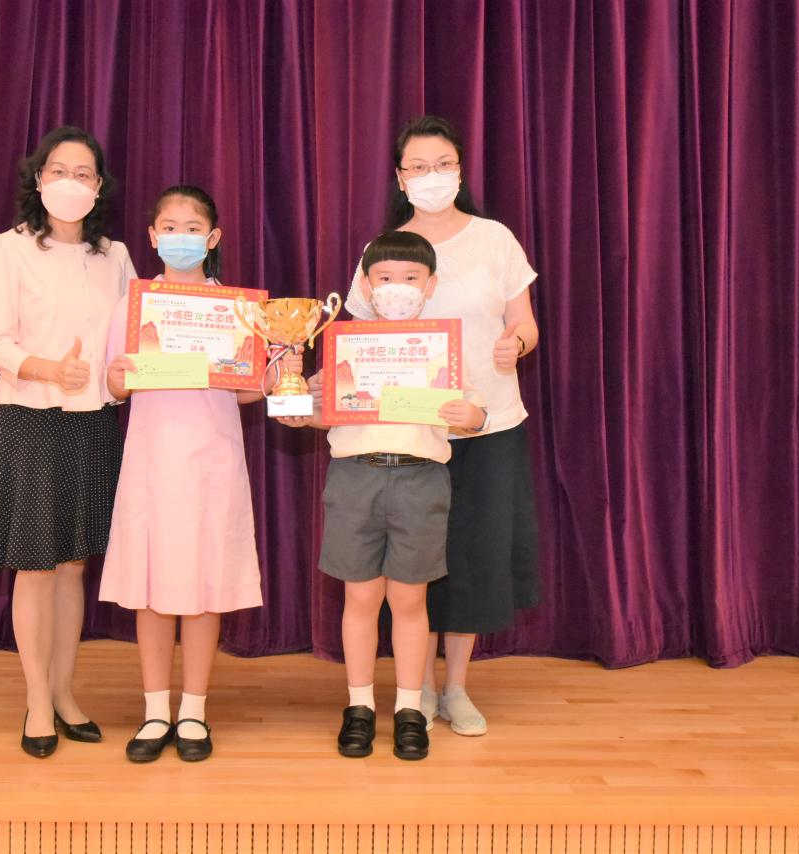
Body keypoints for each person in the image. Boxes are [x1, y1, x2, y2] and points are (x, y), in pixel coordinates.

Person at [345, 115, 541, 737]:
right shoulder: (384, 249)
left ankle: (456, 686)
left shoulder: (494, 239)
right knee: (413, 565)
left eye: (444, 164)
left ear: (459, 169)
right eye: (419, 167)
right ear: (401, 178)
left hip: (487, 425)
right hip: (409, 435)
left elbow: (525, 322)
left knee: (474, 556)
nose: (433, 175)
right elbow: (358, 343)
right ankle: (417, 689)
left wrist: (517, 344)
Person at [100, 185, 298, 762]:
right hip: (152, 459)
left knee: (205, 586)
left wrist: (278, 373)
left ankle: (193, 709)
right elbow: (115, 384)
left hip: (213, 460)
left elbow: (244, 391)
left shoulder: (237, 310)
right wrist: (117, 377)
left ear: (212, 239)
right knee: (152, 589)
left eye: (192, 228)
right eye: (169, 227)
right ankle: (154, 710)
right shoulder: (134, 305)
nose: (180, 237)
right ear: (152, 236)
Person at [281, 230, 486, 760]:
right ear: (368, 287)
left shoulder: (444, 346)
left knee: (410, 601)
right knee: (360, 599)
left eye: (411, 278)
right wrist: (298, 407)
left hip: (421, 480)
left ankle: (410, 709)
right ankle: (359, 706)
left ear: (430, 285)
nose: (398, 288)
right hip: (356, 478)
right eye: (386, 278)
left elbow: (472, 411)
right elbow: (322, 410)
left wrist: (473, 415)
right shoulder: (348, 343)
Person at [0, 126, 137, 758]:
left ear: (99, 187)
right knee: (36, 567)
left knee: (73, 566)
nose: (70, 182)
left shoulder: (115, 256)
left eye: (83, 173)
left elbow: (131, 339)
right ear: (38, 180)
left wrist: (124, 377)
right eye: (59, 171)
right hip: (31, 417)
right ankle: (37, 699)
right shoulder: (7, 249)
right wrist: (47, 369)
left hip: (93, 421)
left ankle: (65, 692)